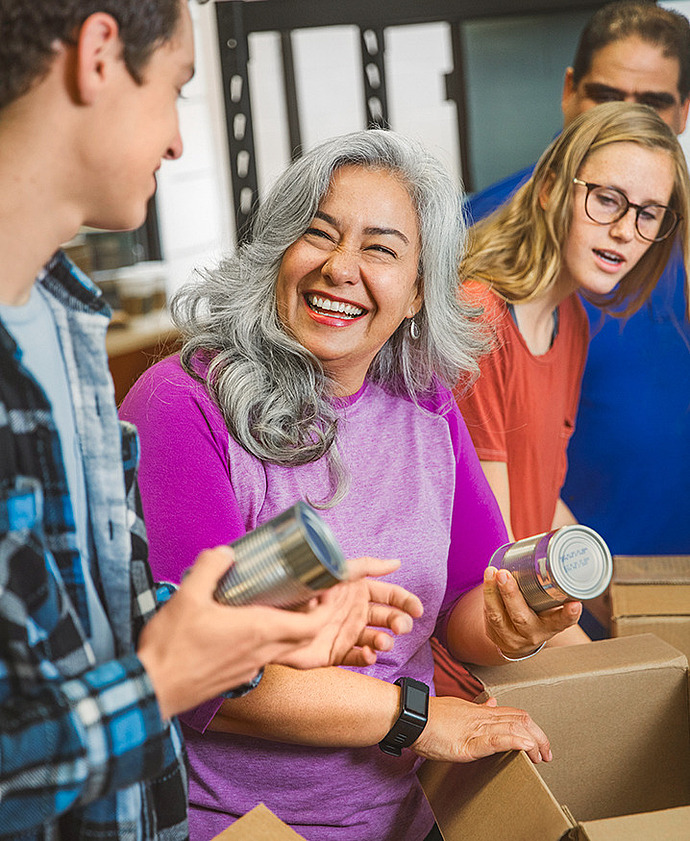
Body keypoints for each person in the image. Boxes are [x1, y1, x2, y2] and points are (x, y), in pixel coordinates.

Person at [0, 2, 427, 838]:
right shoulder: (172, 393)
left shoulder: (63, 317)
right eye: (176, 90)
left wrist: (246, 633)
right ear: (98, 54)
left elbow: (85, 624)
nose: (178, 142)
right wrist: (166, 677)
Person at [119, 129, 573, 841]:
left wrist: (515, 624)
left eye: (381, 249)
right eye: (318, 234)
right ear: (276, 249)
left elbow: (462, 601)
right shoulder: (181, 405)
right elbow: (200, 675)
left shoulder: (426, 402)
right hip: (235, 823)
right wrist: (418, 718)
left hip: (400, 813)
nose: (339, 268)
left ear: (421, 288)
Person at [468, 0, 690, 557]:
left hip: (604, 581)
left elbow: (539, 500)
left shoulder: (570, 314)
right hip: (515, 616)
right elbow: (500, 551)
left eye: (647, 213)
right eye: (605, 199)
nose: (623, 231)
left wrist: (609, 600)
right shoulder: (482, 304)